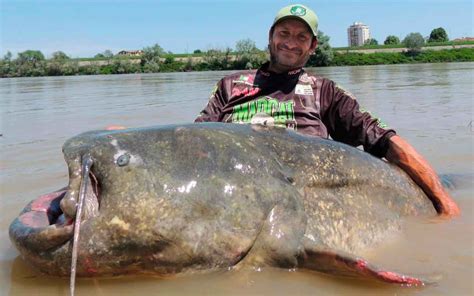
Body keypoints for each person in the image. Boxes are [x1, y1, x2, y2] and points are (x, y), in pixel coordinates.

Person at [194, 4, 460, 218]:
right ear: (270, 37)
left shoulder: (324, 91)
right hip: (233, 193)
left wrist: (442, 198)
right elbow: (194, 141)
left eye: (302, 37)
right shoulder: (230, 85)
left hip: (301, 200)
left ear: (313, 46)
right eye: (283, 33)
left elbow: (384, 140)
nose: (291, 42)